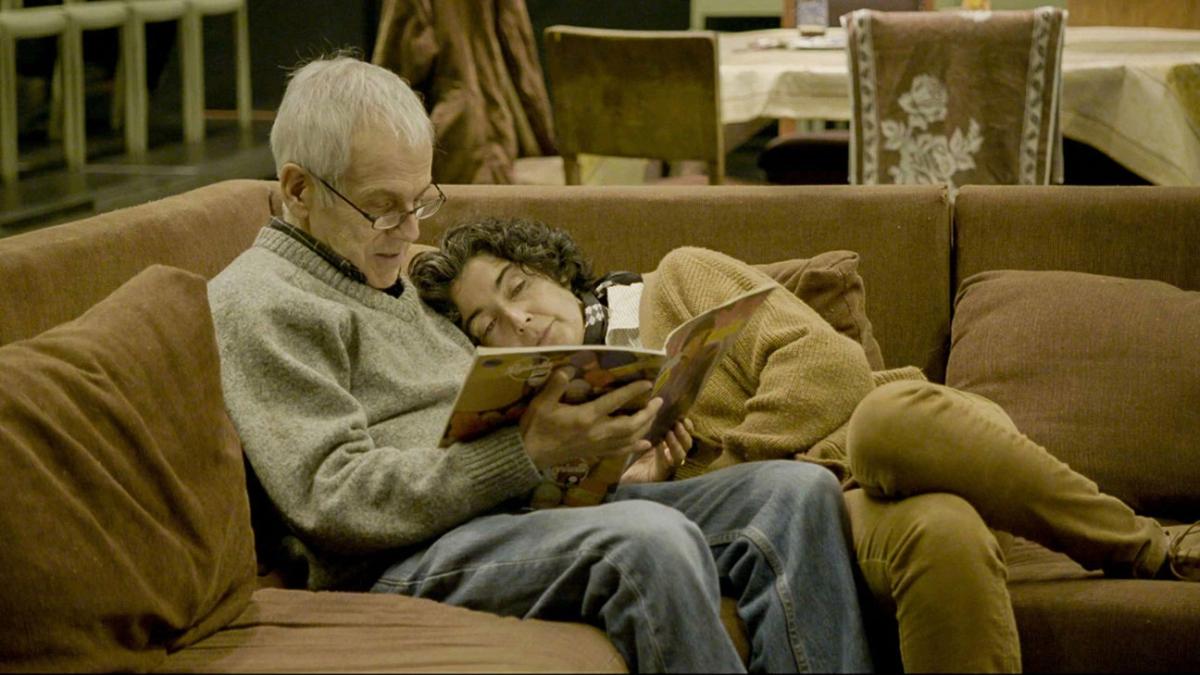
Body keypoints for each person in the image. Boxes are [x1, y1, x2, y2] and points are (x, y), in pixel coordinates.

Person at [208, 54, 875, 673]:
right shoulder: (261, 300)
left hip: (512, 514)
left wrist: (592, 447)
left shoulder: (384, 272)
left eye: (420, 201)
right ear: (298, 189)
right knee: (647, 541)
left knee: (794, 496)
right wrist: (525, 451)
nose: (410, 232)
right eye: (383, 208)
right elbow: (333, 501)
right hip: (398, 557)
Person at [409, 216, 1200, 673]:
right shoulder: (538, 425)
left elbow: (829, 368)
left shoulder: (676, 281)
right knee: (944, 535)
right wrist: (647, 480)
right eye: (487, 324)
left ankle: (1148, 545)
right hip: (835, 514)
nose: (518, 321)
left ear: (551, 267)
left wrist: (731, 460)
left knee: (888, 421)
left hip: (891, 446)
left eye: (517, 288)